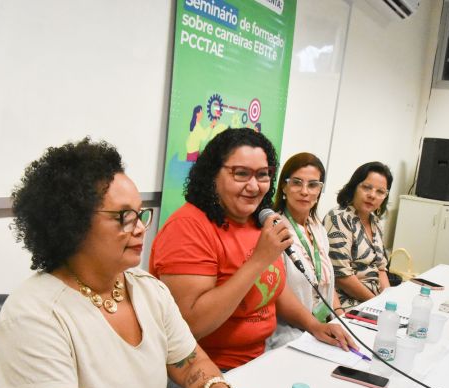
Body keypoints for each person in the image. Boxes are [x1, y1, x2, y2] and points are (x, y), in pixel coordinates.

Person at [0, 138, 255, 388]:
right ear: (74, 223)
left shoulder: (147, 289)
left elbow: (189, 361)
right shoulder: (33, 314)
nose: (140, 228)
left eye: (140, 214)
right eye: (123, 217)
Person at [149, 128, 355, 371]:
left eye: (263, 175)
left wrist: (314, 326)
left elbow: (273, 289)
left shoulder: (256, 220)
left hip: (260, 358)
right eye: (241, 174)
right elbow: (192, 324)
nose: (254, 186)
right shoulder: (187, 227)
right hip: (205, 369)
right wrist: (258, 261)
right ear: (213, 174)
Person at [266, 153, 344, 349]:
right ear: (283, 186)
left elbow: (324, 281)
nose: (304, 191)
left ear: (320, 190)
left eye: (313, 185)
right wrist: (315, 326)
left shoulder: (318, 227)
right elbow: (277, 294)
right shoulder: (274, 229)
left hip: (322, 325)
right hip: (288, 332)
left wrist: (340, 315)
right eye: (296, 183)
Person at [324, 161, 393, 310]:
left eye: (380, 192)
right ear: (354, 187)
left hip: (373, 300)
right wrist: (376, 303)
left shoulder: (375, 222)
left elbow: (381, 269)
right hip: (347, 302)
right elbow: (342, 277)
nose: (372, 195)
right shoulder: (339, 218)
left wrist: (388, 300)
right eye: (366, 187)